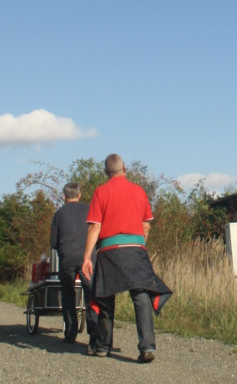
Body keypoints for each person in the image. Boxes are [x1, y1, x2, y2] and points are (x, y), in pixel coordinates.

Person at [81, 154, 171, 363]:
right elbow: (146, 225)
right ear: (125, 169)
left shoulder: (101, 192)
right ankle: (147, 347)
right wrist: (139, 246)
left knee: (104, 296)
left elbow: (95, 227)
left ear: (106, 172)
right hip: (136, 249)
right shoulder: (139, 191)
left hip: (109, 250)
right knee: (141, 295)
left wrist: (87, 257)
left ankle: (103, 346)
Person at [50, 181, 96, 344]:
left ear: (64, 196)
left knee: (68, 293)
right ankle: (94, 333)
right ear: (79, 195)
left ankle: (70, 333)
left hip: (67, 258)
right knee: (91, 293)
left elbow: (53, 242)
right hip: (88, 257)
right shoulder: (90, 209)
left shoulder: (59, 214)